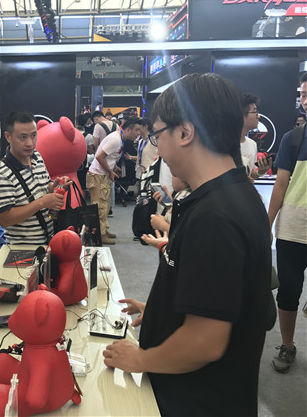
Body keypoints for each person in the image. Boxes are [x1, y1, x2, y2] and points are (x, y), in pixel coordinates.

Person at [102, 73, 272, 416]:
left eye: (158, 135)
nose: (158, 148)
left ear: (184, 132)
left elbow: (204, 342)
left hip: (198, 399)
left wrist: (140, 359)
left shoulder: (215, 217)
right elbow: (220, 300)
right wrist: (162, 311)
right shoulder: (232, 195)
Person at [268, 72, 307, 374]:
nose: (305, 100)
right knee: (289, 291)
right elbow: (280, 184)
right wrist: (266, 225)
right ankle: (287, 345)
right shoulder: (292, 139)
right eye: (303, 94)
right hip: (293, 229)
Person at [0, 111, 67, 245]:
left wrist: (54, 186)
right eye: (23, 137)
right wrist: (42, 202)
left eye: (33, 135)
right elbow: (4, 220)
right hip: (22, 249)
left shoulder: (37, 157)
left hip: (48, 242)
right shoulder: (1, 174)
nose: (30, 143)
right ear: (8, 137)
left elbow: (44, 186)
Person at [86, 117, 142, 245]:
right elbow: (99, 156)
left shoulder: (119, 138)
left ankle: (103, 230)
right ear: (128, 130)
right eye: (137, 130)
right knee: (100, 206)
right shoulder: (116, 140)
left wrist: (113, 167)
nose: (138, 133)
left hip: (102, 175)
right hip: (98, 176)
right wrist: (110, 171)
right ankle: (99, 234)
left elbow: (107, 156)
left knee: (105, 205)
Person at [240, 93, 272, 179]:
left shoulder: (252, 144)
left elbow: (250, 173)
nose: (258, 116)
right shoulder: (225, 145)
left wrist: (260, 172)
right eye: (255, 112)